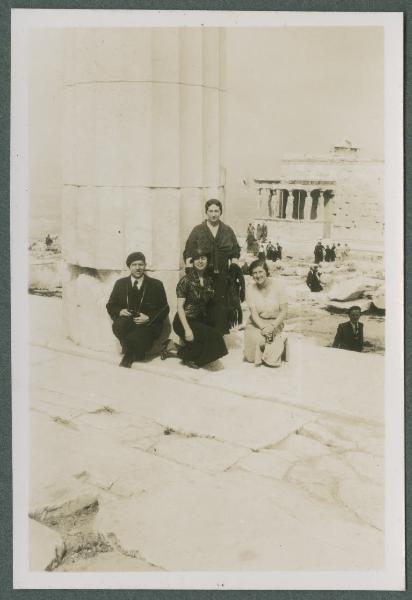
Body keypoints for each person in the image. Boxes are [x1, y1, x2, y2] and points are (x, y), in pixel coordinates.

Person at [163, 249, 228, 369]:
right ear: (192, 262)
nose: (200, 261)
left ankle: (173, 347)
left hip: (198, 321)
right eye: (197, 258)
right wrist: (187, 330)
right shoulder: (185, 281)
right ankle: (192, 358)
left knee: (207, 344)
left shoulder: (209, 280)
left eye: (203, 258)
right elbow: (180, 308)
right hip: (183, 321)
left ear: (207, 261)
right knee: (217, 339)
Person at [183, 199, 240, 334]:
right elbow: (189, 252)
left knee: (220, 304)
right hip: (203, 272)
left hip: (222, 273)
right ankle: (204, 334)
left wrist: (234, 268)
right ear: (206, 212)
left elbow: (235, 252)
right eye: (211, 211)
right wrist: (190, 273)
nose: (214, 214)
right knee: (203, 303)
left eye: (216, 211)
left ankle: (218, 335)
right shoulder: (198, 230)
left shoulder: (227, 230)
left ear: (220, 212)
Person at [106, 252, 169, 367]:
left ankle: (129, 355)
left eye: (140, 264)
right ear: (129, 267)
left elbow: (164, 308)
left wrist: (149, 318)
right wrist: (119, 311)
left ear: (145, 266)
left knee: (138, 337)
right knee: (118, 326)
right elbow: (110, 305)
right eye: (134, 265)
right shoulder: (120, 283)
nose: (138, 268)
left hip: (149, 325)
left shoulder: (156, 284)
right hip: (127, 323)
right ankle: (135, 351)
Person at [244, 259, 288, 367]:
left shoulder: (279, 286)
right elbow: (253, 313)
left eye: (260, 272)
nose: (258, 276)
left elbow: (284, 311)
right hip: (256, 323)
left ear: (266, 272)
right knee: (251, 357)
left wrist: (272, 326)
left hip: (274, 322)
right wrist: (263, 327)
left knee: (272, 359)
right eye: (254, 273)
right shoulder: (250, 288)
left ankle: (280, 341)